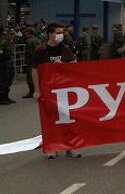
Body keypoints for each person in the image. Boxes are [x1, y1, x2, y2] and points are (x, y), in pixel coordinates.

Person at [31, 23, 82, 159]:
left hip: (64, 89)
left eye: (62, 33)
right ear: (49, 34)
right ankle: (53, 146)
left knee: (68, 119)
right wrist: (37, 90)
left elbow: (73, 66)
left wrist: (64, 67)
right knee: (51, 119)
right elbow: (34, 70)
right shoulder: (40, 50)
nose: (61, 35)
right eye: (58, 32)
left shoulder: (66, 49)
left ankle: (71, 146)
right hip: (48, 91)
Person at [22, 28, 41, 98]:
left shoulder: (29, 41)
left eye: (26, 33)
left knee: (30, 77)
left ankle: (31, 92)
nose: (25, 34)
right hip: (38, 61)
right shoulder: (37, 40)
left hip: (31, 61)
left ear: (29, 33)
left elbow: (29, 53)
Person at [0, 29, 17, 105]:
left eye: (13, 34)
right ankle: (2, 98)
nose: (12, 35)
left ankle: (6, 97)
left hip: (10, 63)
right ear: (6, 35)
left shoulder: (10, 42)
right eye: (11, 34)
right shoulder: (3, 43)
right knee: (3, 81)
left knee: (9, 81)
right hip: (4, 64)